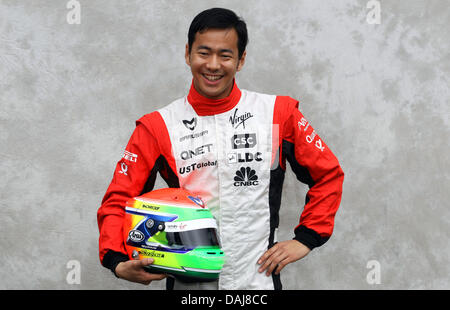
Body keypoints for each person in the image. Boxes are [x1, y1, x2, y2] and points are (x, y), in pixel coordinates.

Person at [97, 7, 344, 290]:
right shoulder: (158, 126)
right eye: (204, 53)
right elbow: (118, 198)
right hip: (189, 285)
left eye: (225, 55)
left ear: (240, 60)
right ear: (188, 53)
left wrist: (307, 238)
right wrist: (116, 260)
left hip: (257, 282)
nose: (213, 65)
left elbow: (329, 174)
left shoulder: (279, 113)